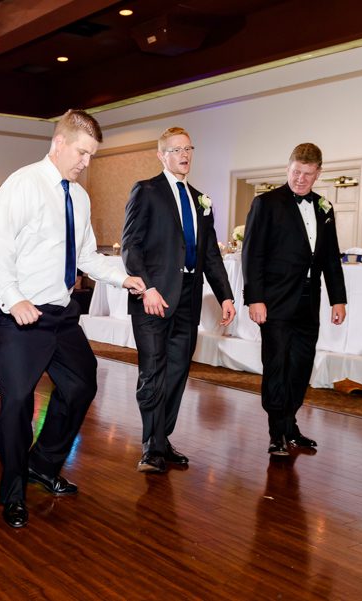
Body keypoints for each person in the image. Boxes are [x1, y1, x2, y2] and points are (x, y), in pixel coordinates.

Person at [0, 109, 146, 528]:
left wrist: (123, 277)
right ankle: (13, 490)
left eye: (92, 155)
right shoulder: (23, 184)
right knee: (17, 404)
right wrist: (14, 299)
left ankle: (43, 463)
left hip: (60, 313)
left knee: (81, 383)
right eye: (83, 152)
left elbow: (86, 255)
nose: (86, 162)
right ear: (59, 143)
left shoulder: (79, 196)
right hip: (19, 315)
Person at [121, 127, 235, 474]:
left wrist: (226, 295)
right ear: (162, 155)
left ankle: (162, 439)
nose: (184, 155)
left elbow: (210, 255)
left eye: (188, 148)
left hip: (188, 297)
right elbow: (130, 247)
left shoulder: (202, 200)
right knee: (153, 371)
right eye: (175, 149)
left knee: (177, 371)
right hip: (154, 297)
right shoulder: (147, 191)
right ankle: (150, 446)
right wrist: (148, 289)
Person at [242, 142, 347, 456]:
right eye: (296, 172)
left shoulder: (324, 207)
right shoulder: (266, 203)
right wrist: (254, 299)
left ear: (318, 173)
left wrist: (337, 299)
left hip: (308, 304)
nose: (301, 179)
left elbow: (330, 257)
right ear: (288, 168)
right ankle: (277, 432)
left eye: (308, 173)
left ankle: (290, 424)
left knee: (301, 367)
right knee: (277, 365)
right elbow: (252, 254)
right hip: (274, 303)